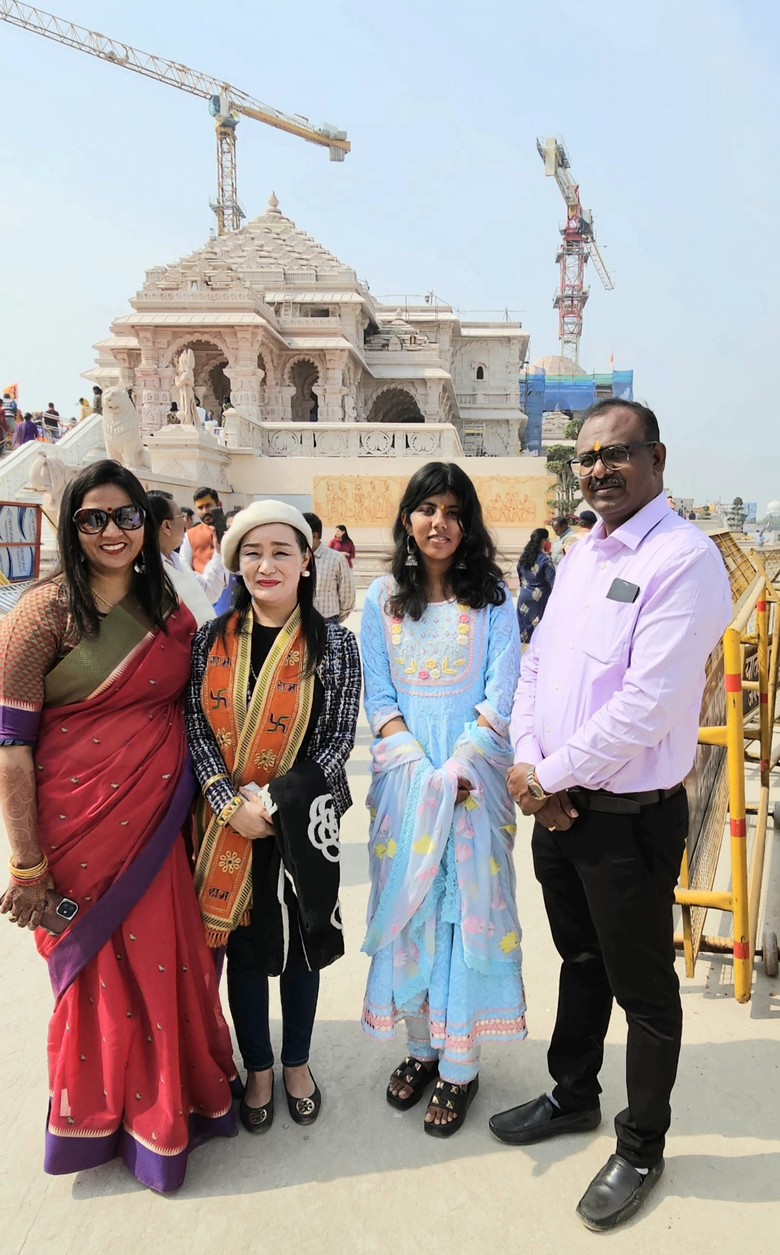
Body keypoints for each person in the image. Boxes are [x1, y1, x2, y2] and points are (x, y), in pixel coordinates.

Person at [491, 398, 732, 1232]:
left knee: (645, 990)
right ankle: (573, 1094)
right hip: (558, 809)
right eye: (587, 457)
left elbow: (647, 704)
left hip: (628, 819)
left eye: (617, 453)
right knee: (581, 958)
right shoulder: (581, 553)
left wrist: (546, 775)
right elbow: (537, 665)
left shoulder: (684, 560)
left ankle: (640, 1145)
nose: (598, 468)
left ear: (657, 459)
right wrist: (531, 764)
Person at [0, 459, 238, 1193]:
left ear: (146, 522)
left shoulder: (167, 601)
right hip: (77, 824)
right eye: (93, 518)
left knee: (169, 958)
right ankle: (99, 1117)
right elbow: (12, 748)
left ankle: (172, 1106)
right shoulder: (42, 614)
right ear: (71, 526)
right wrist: (27, 864)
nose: (112, 531)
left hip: (161, 818)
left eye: (126, 516)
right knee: (95, 967)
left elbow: (209, 695)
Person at [360, 462, 526, 1138]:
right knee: (414, 913)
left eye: (454, 512)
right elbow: (380, 699)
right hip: (406, 787)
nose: (440, 523)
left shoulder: (493, 601)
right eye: (428, 509)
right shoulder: (382, 600)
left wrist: (457, 769)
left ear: (469, 524)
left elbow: (501, 695)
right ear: (408, 518)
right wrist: (423, 773)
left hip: (472, 786)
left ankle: (460, 1065)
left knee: (464, 917)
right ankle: (422, 1047)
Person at [185, 501, 361, 1135]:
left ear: (306, 562)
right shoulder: (210, 639)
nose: (267, 565)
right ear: (236, 562)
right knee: (246, 952)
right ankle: (258, 1067)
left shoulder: (334, 644)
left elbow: (337, 740)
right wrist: (227, 802)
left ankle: (297, 1064)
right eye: (253, 553)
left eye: (282, 551)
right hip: (227, 825)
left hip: (301, 825)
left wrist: (276, 803)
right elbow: (196, 729)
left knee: (301, 950)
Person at [147, 491, 215, 628]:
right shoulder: (151, 572)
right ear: (167, 526)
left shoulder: (178, 560)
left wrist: (219, 551)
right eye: (180, 516)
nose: (184, 522)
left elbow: (209, 591)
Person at [303, 512, 355, 623]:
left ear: (315, 535)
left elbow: (347, 595)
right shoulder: (294, 558)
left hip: (327, 621)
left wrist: (334, 620)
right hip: (298, 623)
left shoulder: (336, 559)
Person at [181, 486, 229, 605]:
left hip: (232, 599)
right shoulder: (190, 536)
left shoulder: (233, 531)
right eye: (200, 507)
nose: (204, 511)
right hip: (204, 599)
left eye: (208, 506)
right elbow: (184, 568)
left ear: (219, 505)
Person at [516, 527, 555, 644]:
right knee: (538, 636)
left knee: (523, 632)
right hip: (539, 600)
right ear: (543, 541)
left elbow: (520, 575)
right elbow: (554, 582)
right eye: (547, 540)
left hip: (524, 597)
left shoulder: (524, 557)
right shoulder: (545, 560)